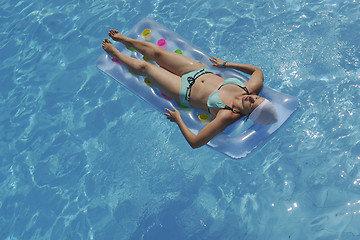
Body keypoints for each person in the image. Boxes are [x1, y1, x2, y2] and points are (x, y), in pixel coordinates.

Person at [102, 29, 278, 148]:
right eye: (257, 98)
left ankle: (115, 54)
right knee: (158, 54)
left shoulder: (226, 116)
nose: (252, 98)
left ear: (249, 115)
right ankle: (126, 40)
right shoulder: (250, 89)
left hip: (183, 90)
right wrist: (226, 64)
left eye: (252, 104)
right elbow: (257, 70)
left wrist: (179, 119)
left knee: (146, 68)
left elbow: (195, 143)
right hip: (198, 70)